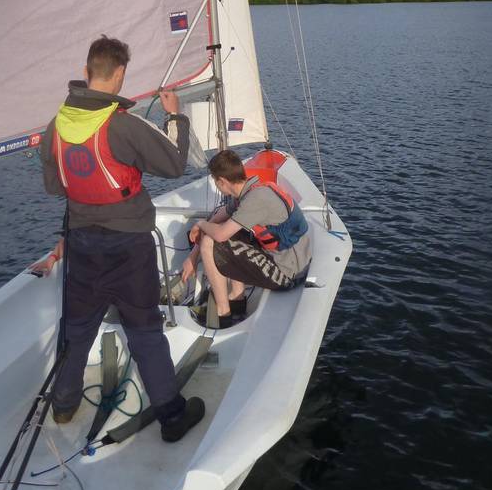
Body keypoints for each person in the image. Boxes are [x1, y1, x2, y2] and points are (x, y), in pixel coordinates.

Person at [40, 35, 204, 442]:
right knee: (145, 331)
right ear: (121, 74)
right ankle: (171, 416)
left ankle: (63, 406)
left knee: (77, 330)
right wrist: (175, 117)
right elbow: (174, 164)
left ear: (85, 73)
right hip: (128, 245)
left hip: (81, 245)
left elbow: (55, 188)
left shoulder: (54, 128)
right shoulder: (123, 124)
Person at [181, 149, 311, 328]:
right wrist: (192, 257)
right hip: (287, 261)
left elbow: (219, 234)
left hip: (288, 275)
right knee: (226, 230)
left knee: (210, 243)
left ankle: (224, 313)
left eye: (215, 182)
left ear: (222, 181)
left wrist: (201, 224)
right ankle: (237, 298)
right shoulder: (250, 190)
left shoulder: (256, 199)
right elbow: (219, 216)